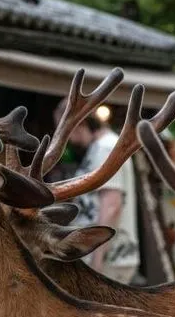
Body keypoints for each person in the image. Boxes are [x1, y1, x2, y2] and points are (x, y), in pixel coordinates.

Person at [53, 99, 140, 284]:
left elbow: (112, 206)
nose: (63, 138)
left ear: (78, 123)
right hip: (104, 256)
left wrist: (97, 259)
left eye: (63, 130)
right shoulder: (99, 147)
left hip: (109, 258)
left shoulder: (106, 147)